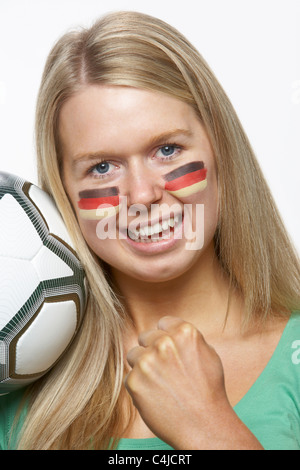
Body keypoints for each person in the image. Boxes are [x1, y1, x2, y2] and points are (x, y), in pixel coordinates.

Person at [1, 10, 300, 450]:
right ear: (63, 188)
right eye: (101, 167)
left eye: (167, 149)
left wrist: (210, 428)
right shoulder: (17, 359)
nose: (141, 195)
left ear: (220, 147)